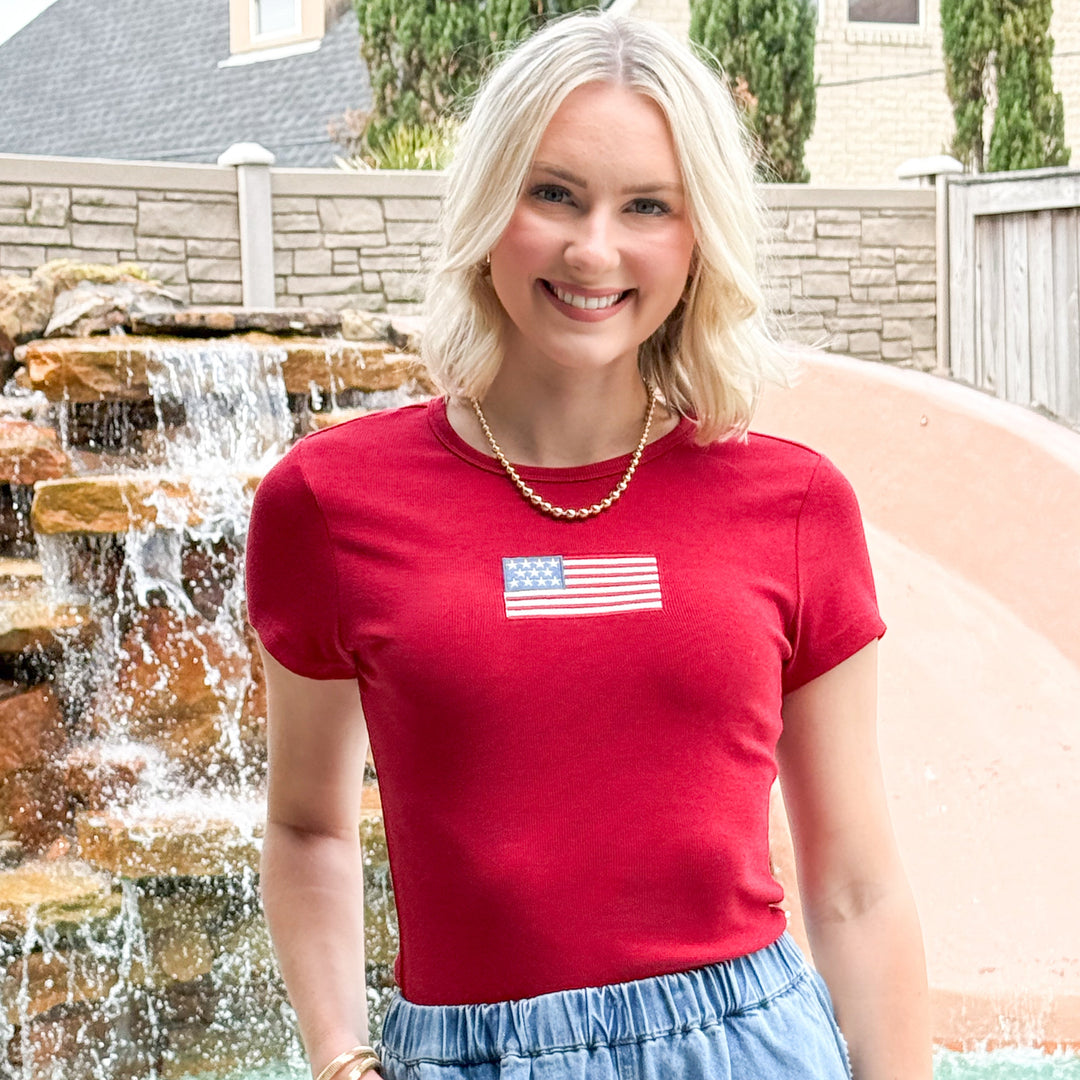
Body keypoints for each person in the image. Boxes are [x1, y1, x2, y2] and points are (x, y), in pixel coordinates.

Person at [245, 11, 932, 1080]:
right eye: (553, 193)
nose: (593, 249)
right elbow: (307, 830)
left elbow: (854, 884)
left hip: (752, 1047)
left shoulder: (794, 504)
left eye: (647, 205)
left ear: (698, 234)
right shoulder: (329, 504)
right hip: (463, 1054)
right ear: (488, 205)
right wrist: (340, 1058)